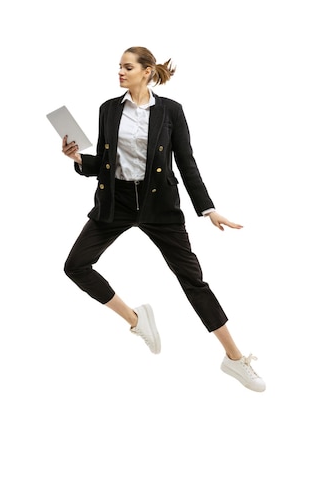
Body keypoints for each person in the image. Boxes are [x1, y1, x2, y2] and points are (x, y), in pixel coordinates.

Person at [62, 46, 266, 392]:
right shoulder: (109, 109)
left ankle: (234, 358)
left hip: (160, 206)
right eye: (119, 67)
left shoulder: (171, 111)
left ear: (146, 71)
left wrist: (208, 209)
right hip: (116, 202)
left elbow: (186, 162)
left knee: (193, 281)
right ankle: (136, 319)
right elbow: (105, 164)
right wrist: (79, 158)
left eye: (127, 67)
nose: (120, 73)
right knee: (76, 265)